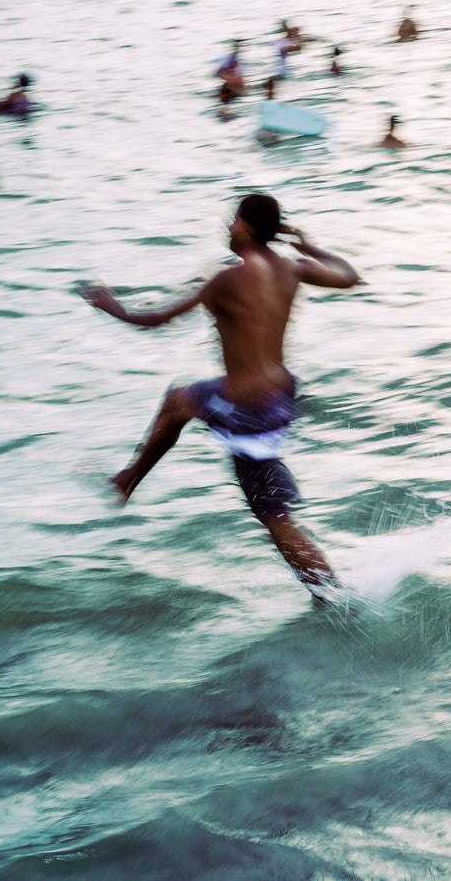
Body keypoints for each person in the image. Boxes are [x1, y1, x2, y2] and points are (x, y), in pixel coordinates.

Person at [78, 194, 361, 602]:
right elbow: (348, 275)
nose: (228, 227)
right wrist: (305, 244)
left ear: (247, 227)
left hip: (249, 410)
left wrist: (111, 306)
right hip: (280, 400)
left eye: (234, 220)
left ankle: (334, 598)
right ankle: (126, 481)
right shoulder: (291, 268)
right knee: (181, 403)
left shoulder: (226, 279)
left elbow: (155, 318)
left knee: (274, 516)